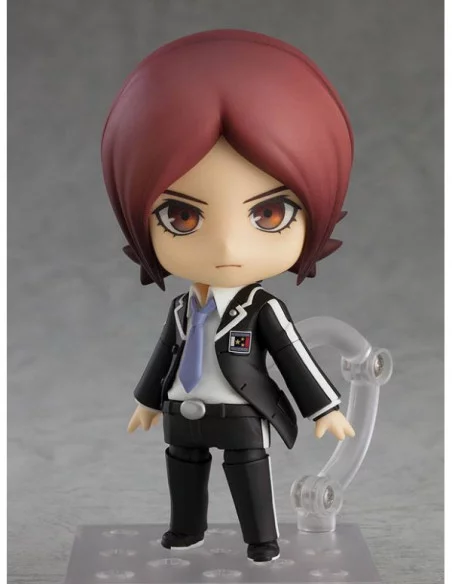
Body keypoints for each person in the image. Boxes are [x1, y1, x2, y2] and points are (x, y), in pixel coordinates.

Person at [101, 29, 355, 563]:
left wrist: (324, 408)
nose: (227, 246)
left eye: (269, 213)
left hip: (241, 409)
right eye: (182, 216)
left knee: (248, 474)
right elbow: (165, 356)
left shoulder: (263, 309)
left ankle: (261, 540)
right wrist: (147, 401)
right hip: (183, 409)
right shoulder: (182, 308)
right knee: (183, 470)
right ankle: (185, 531)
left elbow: (292, 357)